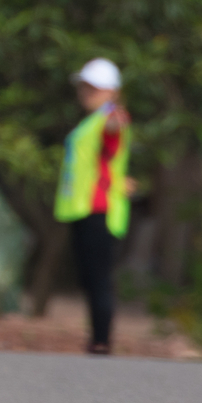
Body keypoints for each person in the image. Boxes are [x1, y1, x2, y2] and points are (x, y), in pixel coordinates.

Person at [53, 57, 134, 355]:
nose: (86, 93)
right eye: (84, 87)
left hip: (99, 209)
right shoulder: (90, 122)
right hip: (81, 208)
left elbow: (114, 131)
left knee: (99, 277)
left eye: (94, 88)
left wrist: (115, 116)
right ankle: (97, 337)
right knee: (88, 277)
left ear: (111, 91)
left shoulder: (110, 118)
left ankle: (101, 341)